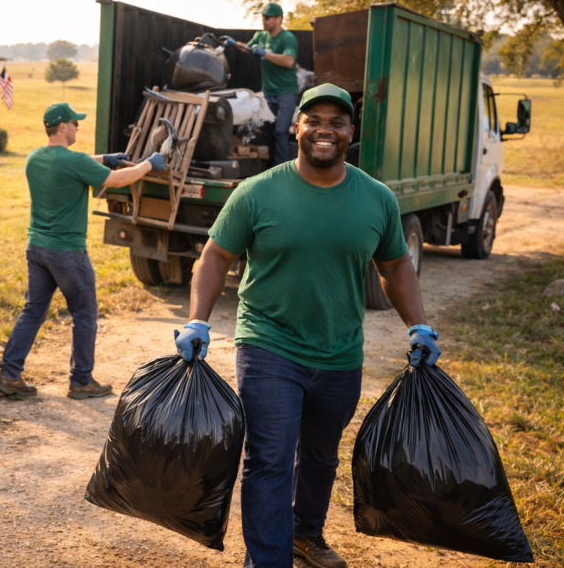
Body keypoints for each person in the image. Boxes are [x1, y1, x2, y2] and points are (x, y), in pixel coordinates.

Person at [173, 83, 441, 568]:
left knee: (320, 459)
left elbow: (396, 266)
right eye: (313, 120)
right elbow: (215, 255)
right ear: (295, 126)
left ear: (349, 133)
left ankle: (304, 535)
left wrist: (419, 327)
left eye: (336, 123)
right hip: (268, 345)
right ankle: (268, 560)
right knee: (270, 461)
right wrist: (197, 320)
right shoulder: (257, 193)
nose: (324, 130)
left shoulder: (376, 199)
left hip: (340, 352)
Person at [0, 102, 166, 399]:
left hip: (36, 248)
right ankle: (82, 381)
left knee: (32, 311)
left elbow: (70, 162)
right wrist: (150, 163)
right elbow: (118, 180)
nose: (78, 127)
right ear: (63, 127)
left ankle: (9, 376)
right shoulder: (74, 162)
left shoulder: (34, 158)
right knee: (85, 314)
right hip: (67, 253)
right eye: (75, 123)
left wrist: (105, 158)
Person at [224, 2, 299, 167]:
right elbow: (249, 49)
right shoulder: (260, 36)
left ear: (279, 19)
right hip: (268, 93)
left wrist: (265, 53)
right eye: (262, 17)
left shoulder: (287, 38)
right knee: (268, 132)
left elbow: (289, 61)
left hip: (286, 92)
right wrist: (235, 43)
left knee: (280, 131)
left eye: (267, 17)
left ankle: (281, 170)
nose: (263, 20)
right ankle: (269, 168)